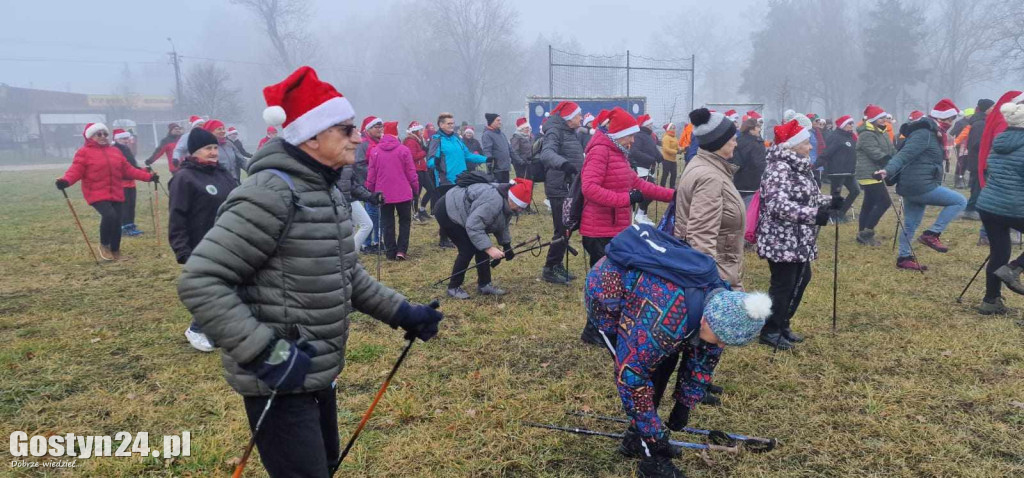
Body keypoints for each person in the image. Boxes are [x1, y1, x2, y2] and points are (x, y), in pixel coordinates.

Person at [178, 67, 443, 477]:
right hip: (279, 377)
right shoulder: (270, 193)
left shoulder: (323, 190)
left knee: (323, 467)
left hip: (314, 368)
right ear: (312, 136)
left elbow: (344, 273)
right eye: (346, 129)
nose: (358, 137)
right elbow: (201, 279)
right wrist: (266, 352)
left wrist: (403, 312)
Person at [584, 223, 771, 478]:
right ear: (705, 321)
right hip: (609, 297)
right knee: (645, 377)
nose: (722, 345)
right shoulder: (666, 322)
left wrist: (685, 403)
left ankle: (635, 438)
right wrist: (656, 436)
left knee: (662, 367)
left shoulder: (721, 303)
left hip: (657, 307)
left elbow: (705, 357)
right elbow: (632, 377)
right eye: (720, 339)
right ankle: (652, 462)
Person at [756, 120, 835, 350]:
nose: (810, 147)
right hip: (780, 238)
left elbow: (808, 196)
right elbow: (777, 205)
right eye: (806, 142)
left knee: (801, 279)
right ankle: (770, 330)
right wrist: (813, 214)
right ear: (793, 145)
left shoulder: (800, 166)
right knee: (783, 285)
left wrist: (830, 201)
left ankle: (783, 324)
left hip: (799, 238)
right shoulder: (778, 168)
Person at [875, 99, 968, 271]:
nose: (950, 123)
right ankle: (932, 234)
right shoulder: (924, 134)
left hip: (915, 184)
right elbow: (903, 154)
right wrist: (887, 170)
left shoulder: (935, 133)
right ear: (938, 118)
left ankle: (904, 258)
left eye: (952, 120)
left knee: (910, 224)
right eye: (947, 119)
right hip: (919, 185)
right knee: (960, 201)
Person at [167, 127, 237, 352]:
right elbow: (177, 216)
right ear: (195, 151)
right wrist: (182, 250)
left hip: (230, 242)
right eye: (208, 148)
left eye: (215, 147)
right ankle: (197, 328)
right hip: (202, 245)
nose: (214, 152)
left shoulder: (223, 173)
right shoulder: (184, 178)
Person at [580, 108, 674, 266]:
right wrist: (626, 198)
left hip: (615, 228)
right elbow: (589, 188)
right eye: (630, 135)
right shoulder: (600, 152)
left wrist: (674, 195)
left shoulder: (618, 153)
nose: (633, 140)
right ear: (618, 134)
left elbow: (639, 184)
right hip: (600, 231)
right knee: (604, 282)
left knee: (614, 280)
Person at [55, 123, 158, 261]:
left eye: (105, 134)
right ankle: (104, 245)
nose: (103, 136)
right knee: (110, 216)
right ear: (90, 137)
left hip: (116, 191)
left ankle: (115, 251)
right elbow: (75, 171)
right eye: (99, 134)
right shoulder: (83, 152)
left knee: (117, 221)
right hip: (96, 192)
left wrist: (149, 177)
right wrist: (65, 181)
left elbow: (128, 170)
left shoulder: (115, 151)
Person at [676, 108, 746, 291]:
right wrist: (712, 287)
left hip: (721, 268)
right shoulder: (710, 178)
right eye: (733, 139)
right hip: (719, 275)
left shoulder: (704, 165)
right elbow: (701, 236)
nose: (736, 144)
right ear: (720, 143)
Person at [436, 176, 532, 299]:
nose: (520, 210)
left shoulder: (506, 203)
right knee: (468, 249)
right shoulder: (493, 202)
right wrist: (489, 249)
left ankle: (485, 285)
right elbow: (473, 226)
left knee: (481, 246)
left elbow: (501, 224)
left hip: (467, 214)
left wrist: (506, 245)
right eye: (519, 206)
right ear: (511, 199)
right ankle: (453, 287)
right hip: (448, 209)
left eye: (522, 208)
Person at [976, 102, 1024, 314]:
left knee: (999, 253)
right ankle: (1014, 268)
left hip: (989, 205)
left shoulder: (1001, 139)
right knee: (1002, 257)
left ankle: (991, 301)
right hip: (1014, 206)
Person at [539, 101, 586, 284]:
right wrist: (564, 164)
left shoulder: (569, 132)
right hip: (559, 187)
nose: (581, 117)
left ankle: (557, 264)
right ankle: (550, 268)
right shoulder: (555, 131)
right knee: (562, 229)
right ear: (568, 118)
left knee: (567, 227)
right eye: (578, 115)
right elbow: (546, 154)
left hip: (570, 187)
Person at [428, 112, 488, 248]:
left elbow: (467, 155)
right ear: (441, 124)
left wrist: (486, 159)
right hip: (446, 180)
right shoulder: (437, 139)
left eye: (453, 123)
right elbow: (430, 162)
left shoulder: (456, 138)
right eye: (449, 123)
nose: (452, 126)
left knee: (461, 209)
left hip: (461, 179)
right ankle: (443, 238)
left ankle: (459, 235)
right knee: (447, 211)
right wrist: (435, 162)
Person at [366, 122, 419, 260]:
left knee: (387, 223)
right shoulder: (403, 150)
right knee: (404, 222)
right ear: (396, 135)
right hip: (403, 193)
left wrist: (370, 191)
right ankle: (401, 250)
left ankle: (390, 251)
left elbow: (371, 175)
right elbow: (411, 173)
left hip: (383, 194)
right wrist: (415, 189)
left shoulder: (375, 151)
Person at [853, 104, 896, 247]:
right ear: (873, 119)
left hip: (877, 172)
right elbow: (876, 153)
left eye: (885, 117)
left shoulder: (881, 132)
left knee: (869, 203)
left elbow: (890, 149)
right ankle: (867, 233)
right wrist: (891, 163)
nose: (885, 119)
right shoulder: (866, 134)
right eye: (881, 117)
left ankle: (861, 234)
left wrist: (898, 158)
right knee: (884, 201)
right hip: (869, 173)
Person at [820, 115, 859, 222]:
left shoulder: (851, 137)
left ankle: (841, 213)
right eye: (849, 123)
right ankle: (833, 216)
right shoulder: (835, 137)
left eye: (852, 123)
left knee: (855, 191)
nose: (852, 125)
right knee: (836, 194)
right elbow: (827, 153)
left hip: (849, 171)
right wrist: (817, 165)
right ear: (842, 125)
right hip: (837, 171)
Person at [962, 99, 995, 221]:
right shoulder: (980, 124)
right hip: (978, 160)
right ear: (986, 109)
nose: (994, 109)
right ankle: (970, 210)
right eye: (992, 107)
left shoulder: (983, 122)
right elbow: (976, 143)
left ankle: (974, 208)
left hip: (981, 160)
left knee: (979, 186)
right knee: (977, 186)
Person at [357, 116, 385, 253]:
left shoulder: (380, 142)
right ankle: (367, 244)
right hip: (368, 185)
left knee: (378, 214)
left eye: (381, 126)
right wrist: (376, 172)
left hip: (380, 184)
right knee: (370, 214)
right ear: (368, 129)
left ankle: (377, 241)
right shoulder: (363, 144)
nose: (380, 129)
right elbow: (359, 164)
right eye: (377, 127)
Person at [112, 128, 147, 237]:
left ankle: (130, 225)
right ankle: (124, 228)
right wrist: (139, 172)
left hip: (130, 182)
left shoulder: (126, 149)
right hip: (121, 183)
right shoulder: (115, 150)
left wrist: (142, 170)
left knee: (131, 205)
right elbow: (122, 168)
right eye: (123, 138)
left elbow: (131, 166)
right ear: (117, 139)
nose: (126, 140)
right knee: (125, 207)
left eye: (127, 138)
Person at [629, 114, 662, 225]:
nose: (652, 126)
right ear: (645, 125)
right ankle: (639, 214)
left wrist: (659, 157)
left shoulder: (650, 136)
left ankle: (643, 214)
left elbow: (653, 149)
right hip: (640, 168)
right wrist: (650, 159)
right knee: (650, 191)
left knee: (648, 191)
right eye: (650, 124)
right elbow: (634, 152)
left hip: (648, 169)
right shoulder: (638, 136)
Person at [732, 117, 767, 207]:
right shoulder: (757, 143)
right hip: (752, 183)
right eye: (758, 127)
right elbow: (760, 164)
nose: (760, 129)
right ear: (752, 129)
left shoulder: (737, 140)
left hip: (738, 182)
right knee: (750, 213)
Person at [203, 119, 247, 184]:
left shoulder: (229, 144)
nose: (223, 131)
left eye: (223, 129)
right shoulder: (206, 147)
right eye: (219, 129)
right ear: (211, 131)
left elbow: (241, 160)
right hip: (218, 184)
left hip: (234, 182)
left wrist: (255, 169)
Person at [480, 113, 521, 184]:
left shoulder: (502, 134)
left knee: (505, 190)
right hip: (496, 170)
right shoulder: (487, 135)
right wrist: (490, 165)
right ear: (491, 122)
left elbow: (510, 149)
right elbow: (487, 150)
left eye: (500, 120)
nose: (500, 122)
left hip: (505, 168)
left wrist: (520, 161)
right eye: (498, 120)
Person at [404, 121, 432, 222]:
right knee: (416, 193)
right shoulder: (410, 141)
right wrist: (424, 152)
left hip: (422, 169)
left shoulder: (418, 140)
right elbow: (413, 157)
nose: (421, 132)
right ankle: (415, 214)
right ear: (415, 131)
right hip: (416, 170)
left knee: (431, 189)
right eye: (419, 130)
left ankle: (422, 209)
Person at [660, 123, 680, 189]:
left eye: (674, 128)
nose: (674, 129)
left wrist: (683, 149)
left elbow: (677, 147)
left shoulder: (675, 137)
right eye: (672, 128)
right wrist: (676, 152)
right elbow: (666, 149)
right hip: (666, 159)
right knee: (665, 174)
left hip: (673, 160)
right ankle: (662, 188)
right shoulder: (666, 138)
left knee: (674, 175)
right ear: (668, 129)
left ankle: (672, 188)